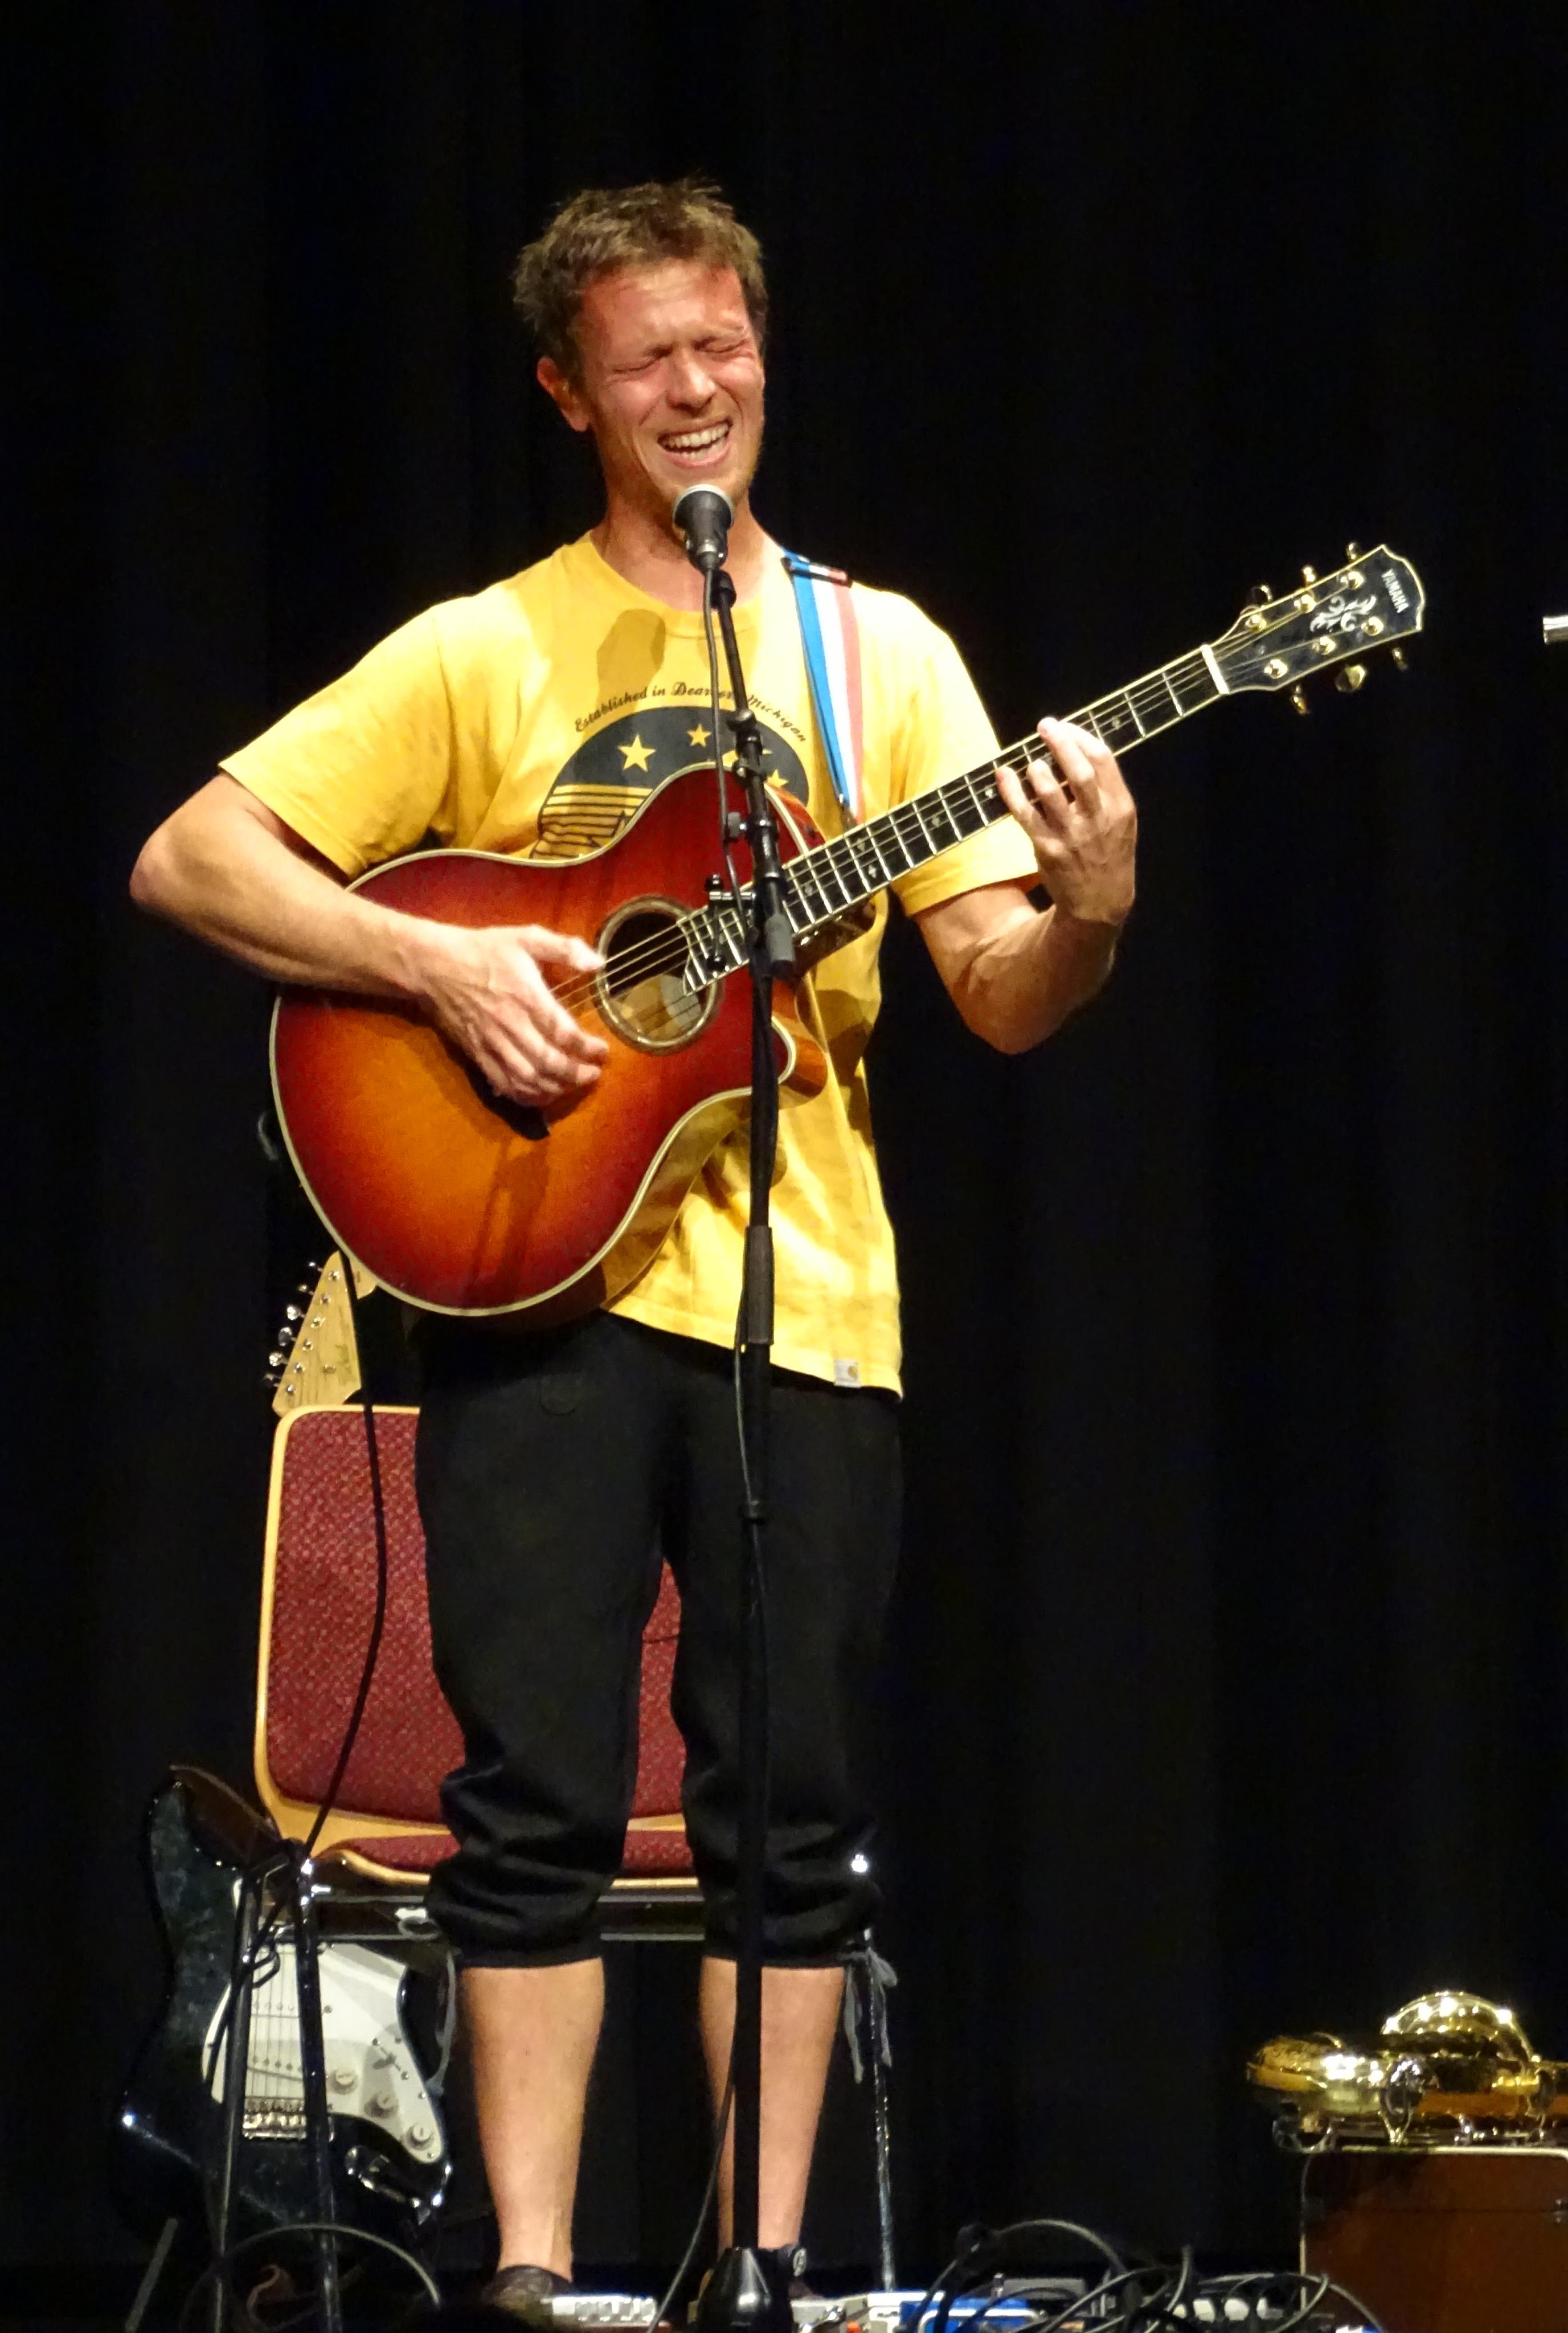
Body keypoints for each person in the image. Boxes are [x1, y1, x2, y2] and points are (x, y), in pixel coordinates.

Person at [132, 180, 1137, 2307]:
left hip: (815, 1304)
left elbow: (998, 990)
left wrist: (1098, 906)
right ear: (567, 392)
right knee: (536, 1802)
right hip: (531, 1270)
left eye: (723, 344)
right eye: (647, 357)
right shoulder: (485, 647)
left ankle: (761, 2267)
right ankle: (531, 2274)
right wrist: (437, 966)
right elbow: (195, 858)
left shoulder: (882, 655)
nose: (696, 388)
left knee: (793, 1814)